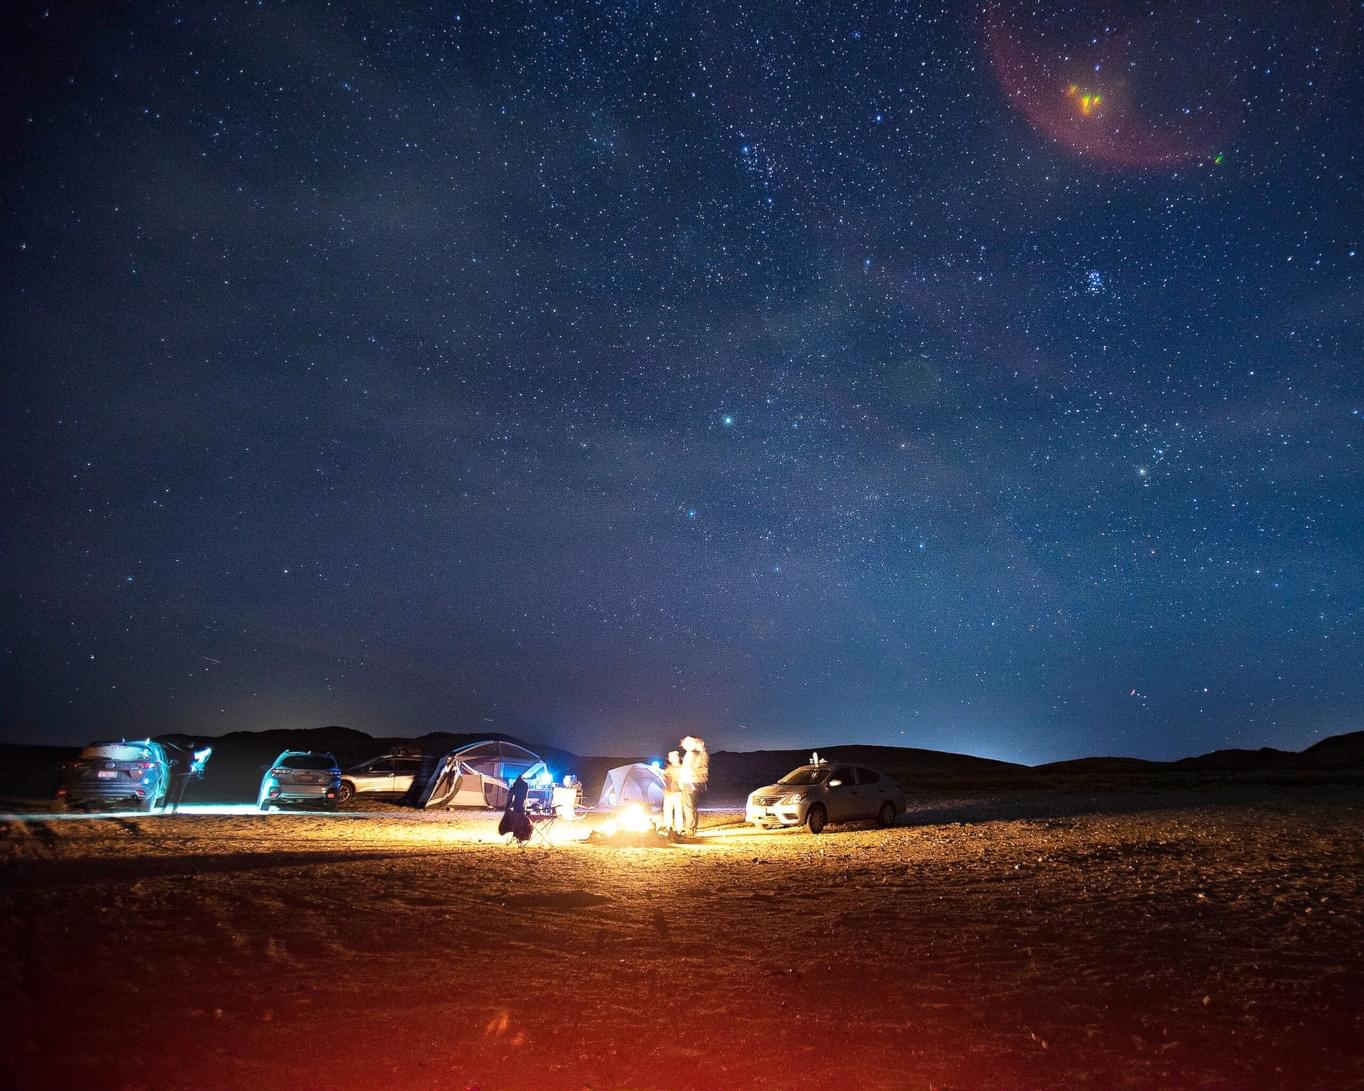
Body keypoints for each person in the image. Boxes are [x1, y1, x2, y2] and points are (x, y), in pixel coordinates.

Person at [680, 736, 709, 837]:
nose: (683, 747)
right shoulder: (702, 754)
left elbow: (692, 769)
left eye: (685, 744)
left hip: (690, 782)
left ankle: (689, 829)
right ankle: (691, 828)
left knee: (689, 806)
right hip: (696, 782)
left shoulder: (692, 754)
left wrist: (685, 775)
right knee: (692, 806)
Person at [498, 773, 532, 842]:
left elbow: (510, 798)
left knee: (514, 819)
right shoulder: (525, 787)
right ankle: (520, 835)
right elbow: (524, 798)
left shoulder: (514, 788)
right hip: (521, 807)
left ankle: (517, 834)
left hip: (517, 807)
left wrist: (508, 806)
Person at [661, 750, 685, 835]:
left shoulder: (681, 768)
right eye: (670, 757)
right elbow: (666, 780)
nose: (670, 758)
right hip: (669, 792)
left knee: (678, 810)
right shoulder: (669, 768)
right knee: (668, 809)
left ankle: (679, 828)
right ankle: (668, 826)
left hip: (678, 792)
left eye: (672, 757)